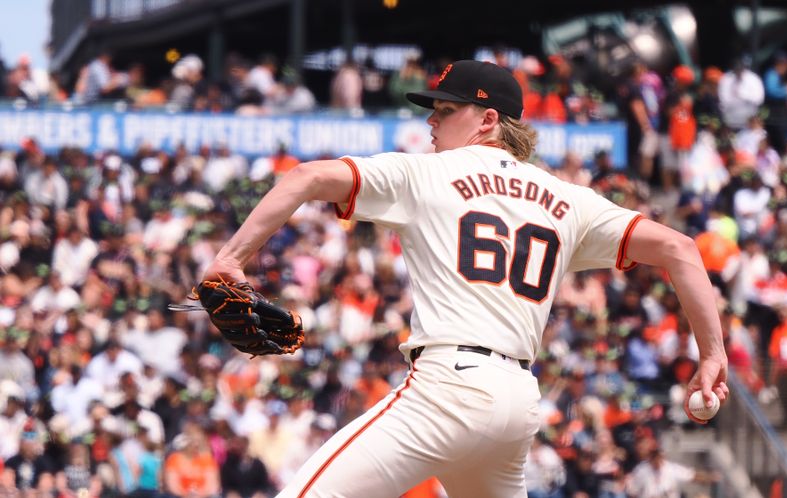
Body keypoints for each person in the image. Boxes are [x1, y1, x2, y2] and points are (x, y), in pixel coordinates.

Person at [202, 59, 729, 497]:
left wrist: (231, 258)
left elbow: (306, 176)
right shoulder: (571, 200)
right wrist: (711, 356)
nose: (433, 121)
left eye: (447, 109)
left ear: (488, 119)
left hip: (448, 388)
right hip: (516, 404)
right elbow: (681, 249)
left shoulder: (425, 173)